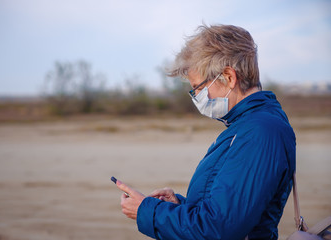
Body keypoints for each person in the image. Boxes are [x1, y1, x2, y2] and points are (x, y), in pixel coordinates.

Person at [115, 24, 296, 240]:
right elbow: (228, 212)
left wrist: (147, 211)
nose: (195, 96)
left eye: (198, 88)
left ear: (228, 77)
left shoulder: (260, 133)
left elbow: (219, 230)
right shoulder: (245, 127)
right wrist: (180, 206)